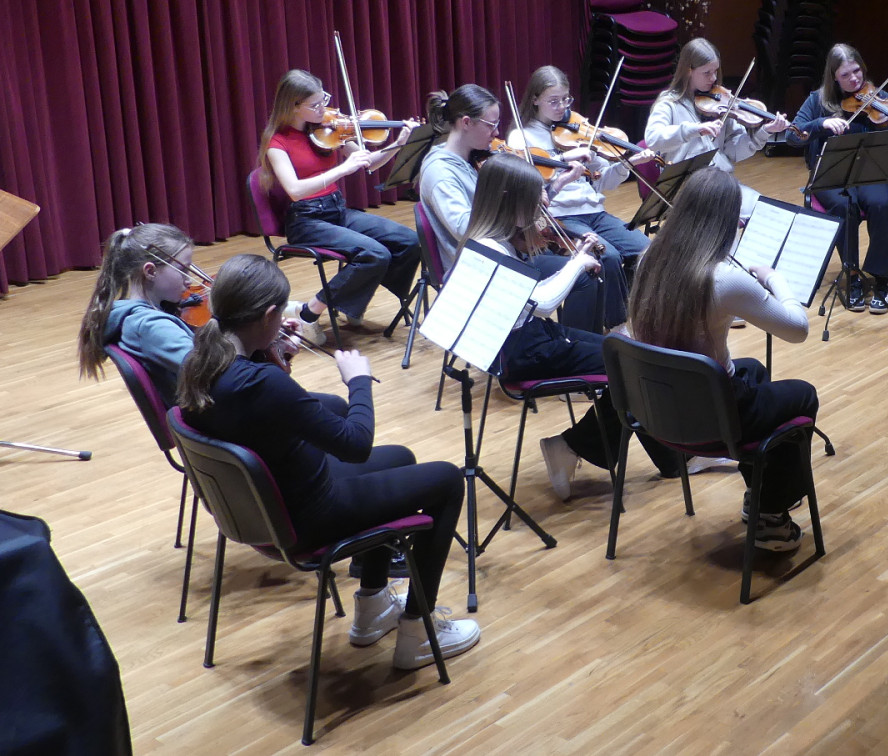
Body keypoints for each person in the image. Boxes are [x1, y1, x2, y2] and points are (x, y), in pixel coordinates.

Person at [175, 255, 477, 669]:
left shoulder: (201, 361)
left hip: (267, 504)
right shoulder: (262, 384)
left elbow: (265, 407)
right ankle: (418, 632)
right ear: (268, 314)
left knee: (400, 457)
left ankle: (372, 607)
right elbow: (356, 446)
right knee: (446, 479)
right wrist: (359, 381)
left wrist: (274, 354)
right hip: (309, 515)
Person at [462, 156, 687, 499]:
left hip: (534, 336)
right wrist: (577, 263)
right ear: (508, 198)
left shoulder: (499, 237)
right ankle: (576, 446)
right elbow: (542, 303)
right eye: (534, 200)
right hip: (522, 352)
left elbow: (530, 300)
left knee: (632, 354)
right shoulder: (490, 247)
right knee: (632, 366)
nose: (541, 208)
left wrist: (574, 256)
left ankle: (669, 459)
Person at [628, 170, 819, 551]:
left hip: (658, 406)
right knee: (802, 395)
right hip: (710, 416)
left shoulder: (650, 257)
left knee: (754, 371)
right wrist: (775, 279)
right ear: (727, 221)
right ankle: (770, 516)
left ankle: (762, 489)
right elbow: (797, 329)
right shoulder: (724, 279)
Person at [416, 83, 625, 332]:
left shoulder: (474, 156)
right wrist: (516, 207)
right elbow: (466, 230)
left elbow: (516, 208)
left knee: (597, 261)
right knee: (584, 275)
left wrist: (556, 184)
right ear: (466, 123)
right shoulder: (441, 172)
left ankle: (584, 342)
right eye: (490, 125)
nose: (496, 133)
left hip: (508, 250)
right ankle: (572, 344)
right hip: (482, 267)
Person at [258, 70, 421, 341]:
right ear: (294, 106)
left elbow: (369, 163)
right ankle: (308, 313)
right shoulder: (277, 143)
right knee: (374, 254)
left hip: (336, 210)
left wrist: (398, 144)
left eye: (323, 100)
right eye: (315, 105)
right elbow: (295, 191)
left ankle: (352, 299)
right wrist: (343, 169)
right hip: (306, 220)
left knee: (409, 241)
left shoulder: (329, 130)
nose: (323, 109)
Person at [786, 43, 888, 314]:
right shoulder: (818, 101)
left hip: (872, 173)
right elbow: (792, 136)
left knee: (879, 203)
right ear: (833, 77)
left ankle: (880, 280)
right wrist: (820, 124)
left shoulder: (880, 99)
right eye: (845, 75)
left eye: (857, 71)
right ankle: (852, 275)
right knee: (845, 205)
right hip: (833, 173)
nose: (854, 79)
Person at [506, 66, 655, 266]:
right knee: (608, 257)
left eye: (566, 99)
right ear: (535, 100)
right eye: (553, 101)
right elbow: (528, 186)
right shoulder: (521, 137)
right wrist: (563, 159)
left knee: (647, 250)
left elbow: (603, 181)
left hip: (595, 212)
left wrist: (628, 163)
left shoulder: (577, 132)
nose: (562, 107)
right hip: (560, 216)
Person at [644, 38, 790, 222]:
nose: (713, 78)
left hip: (721, 185)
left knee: (766, 212)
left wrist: (763, 133)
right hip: (688, 191)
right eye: (707, 73)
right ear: (688, 70)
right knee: (727, 220)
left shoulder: (720, 102)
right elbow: (653, 139)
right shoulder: (669, 103)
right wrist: (695, 129)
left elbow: (734, 152)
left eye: (715, 71)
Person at [77, 224, 201, 401]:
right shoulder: (151, 327)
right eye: (183, 270)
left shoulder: (135, 314)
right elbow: (209, 371)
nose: (189, 280)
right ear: (150, 271)